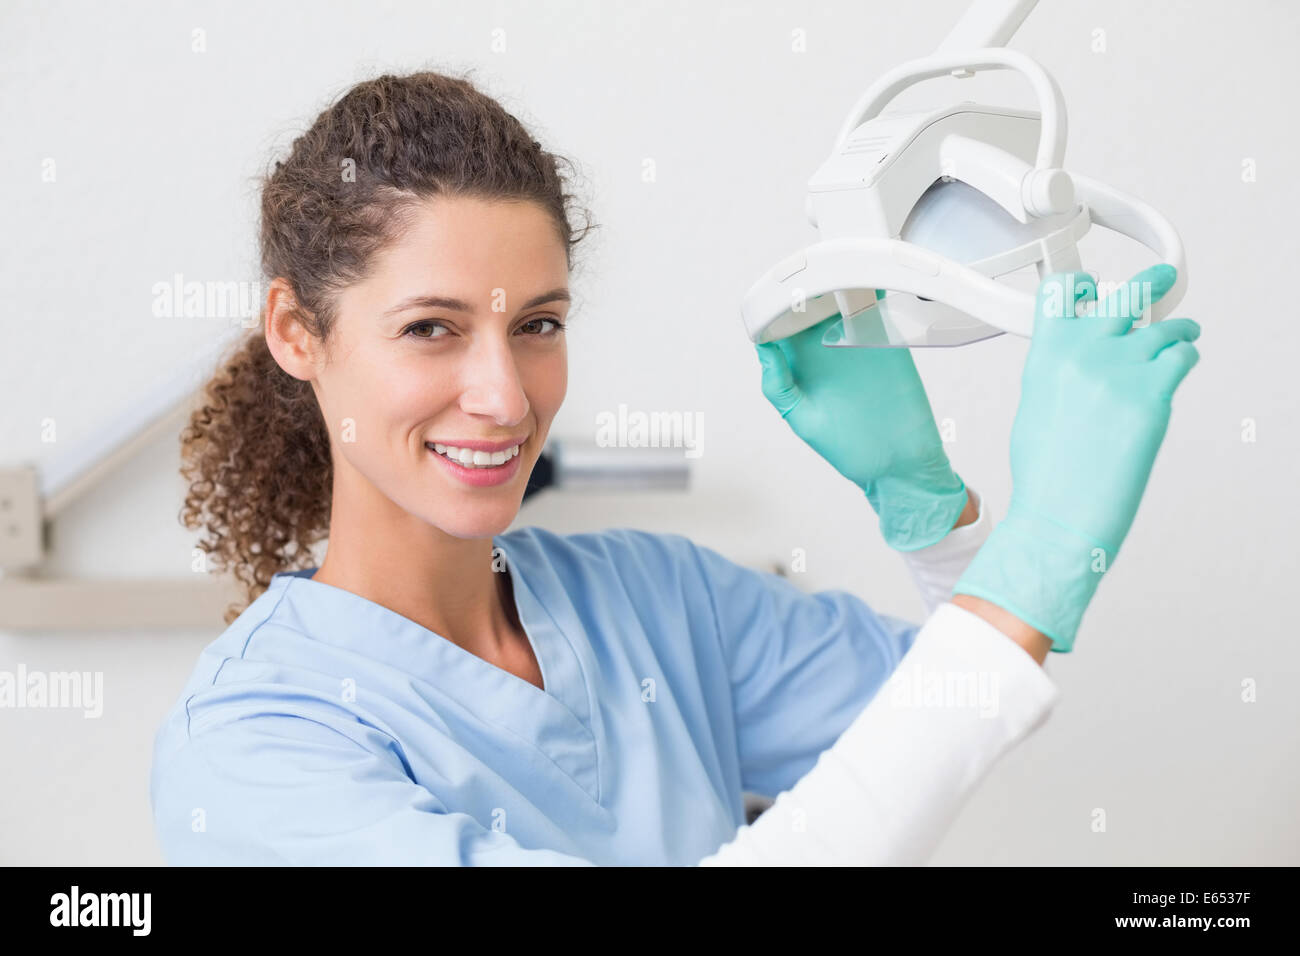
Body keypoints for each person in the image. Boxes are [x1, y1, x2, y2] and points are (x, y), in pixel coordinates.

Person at [149, 69, 1201, 866]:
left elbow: (945, 712)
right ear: (296, 330)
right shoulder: (252, 749)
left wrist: (929, 512)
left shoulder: (654, 598)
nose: (507, 396)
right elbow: (977, 675)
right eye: (431, 326)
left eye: (539, 324)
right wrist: (1039, 548)